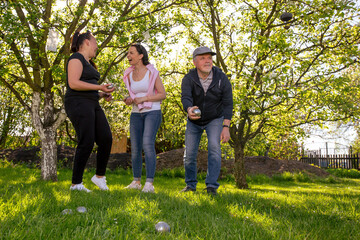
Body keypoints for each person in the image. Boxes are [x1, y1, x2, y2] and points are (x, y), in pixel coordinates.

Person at [65, 30, 115, 192]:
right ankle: (76, 184)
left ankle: (99, 177)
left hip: (92, 103)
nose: (96, 45)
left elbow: (88, 88)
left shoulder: (89, 63)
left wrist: (101, 94)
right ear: (86, 42)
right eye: (95, 42)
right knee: (86, 141)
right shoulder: (75, 58)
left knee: (106, 138)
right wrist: (99, 86)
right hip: (77, 103)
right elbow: (73, 83)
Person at [181, 46, 233, 196]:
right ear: (195, 62)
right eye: (203, 58)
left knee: (214, 149)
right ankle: (190, 185)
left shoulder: (221, 78)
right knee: (189, 154)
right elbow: (186, 97)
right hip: (194, 121)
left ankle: (211, 186)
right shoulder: (189, 78)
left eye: (209, 58)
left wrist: (226, 126)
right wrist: (189, 109)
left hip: (215, 119)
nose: (207, 61)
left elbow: (228, 103)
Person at [123, 43, 166, 193]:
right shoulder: (128, 74)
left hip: (152, 112)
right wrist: (129, 99)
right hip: (136, 113)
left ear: (141, 56)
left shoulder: (152, 72)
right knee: (135, 148)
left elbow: (162, 94)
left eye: (131, 53)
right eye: (128, 53)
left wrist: (144, 99)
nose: (128, 56)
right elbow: (133, 94)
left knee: (147, 144)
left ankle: (149, 184)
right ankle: (136, 181)